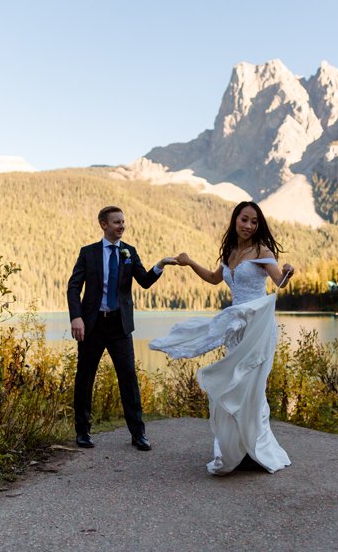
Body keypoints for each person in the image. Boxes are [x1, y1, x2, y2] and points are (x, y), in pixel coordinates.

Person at [150, 201, 295, 475]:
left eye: (254, 222)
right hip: (236, 329)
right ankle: (239, 448)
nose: (248, 225)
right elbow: (214, 279)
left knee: (252, 387)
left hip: (257, 327)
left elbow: (279, 281)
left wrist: (288, 271)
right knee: (235, 384)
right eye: (244, 219)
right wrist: (190, 261)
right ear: (235, 219)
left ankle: (255, 448)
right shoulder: (230, 252)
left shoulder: (262, 251)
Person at [67, 206, 175, 451]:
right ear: (103, 224)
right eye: (117, 222)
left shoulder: (129, 252)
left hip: (120, 325)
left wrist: (161, 264)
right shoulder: (88, 253)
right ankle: (82, 432)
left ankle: (138, 435)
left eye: (123, 222)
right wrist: (76, 317)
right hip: (92, 325)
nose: (122, 226)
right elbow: (74, 287)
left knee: (128, 378)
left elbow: (145, 282)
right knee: (85, 378)